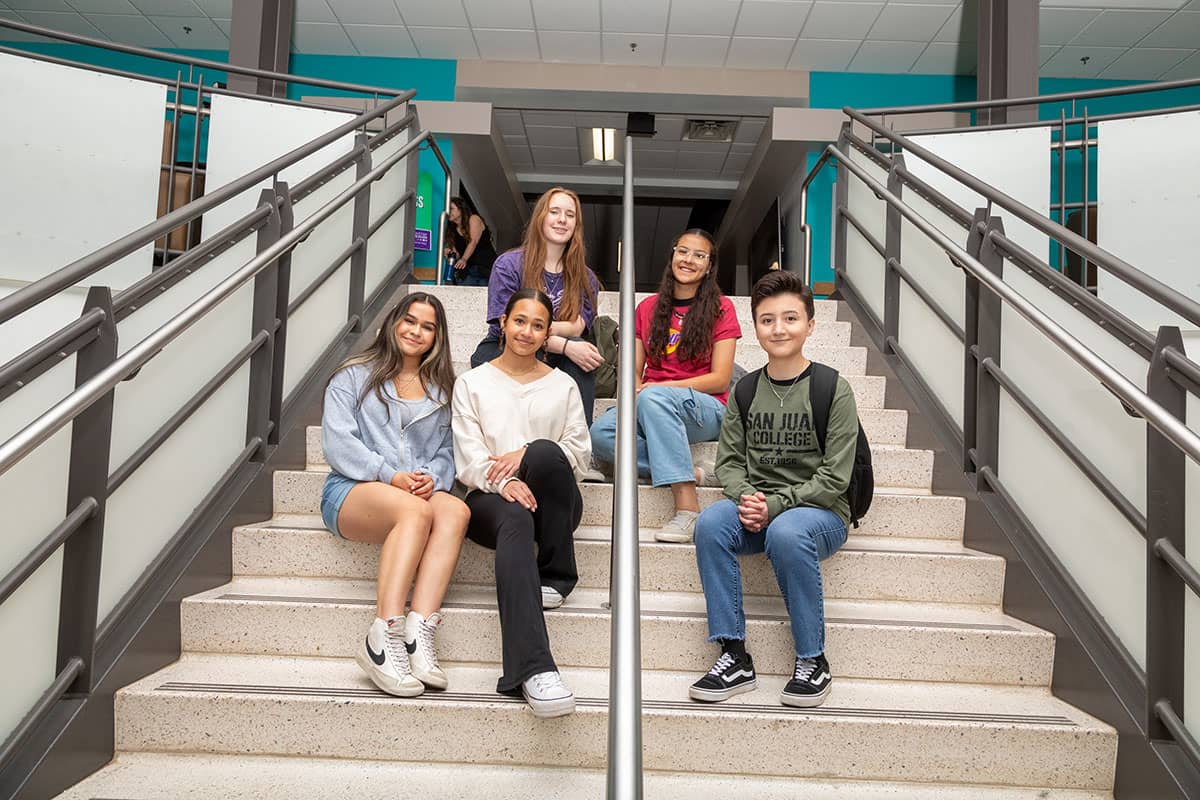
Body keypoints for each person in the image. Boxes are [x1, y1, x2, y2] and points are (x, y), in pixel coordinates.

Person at [689, 270, 857, 709]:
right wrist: (747, 497)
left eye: (789, 318)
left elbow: (835, 478)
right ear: (756, 327)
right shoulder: (745, 389)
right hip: (759, 506)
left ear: (810, 325)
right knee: (709, 523)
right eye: (767, 320)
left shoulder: (832, 389)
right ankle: (733, 654)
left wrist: (777, 505)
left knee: (787, 532)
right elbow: (728, 462)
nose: (778, 329)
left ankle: (812, 658)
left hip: (820, 514)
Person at [320, 292, 470, 698]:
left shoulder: (443, 389)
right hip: (353, 489)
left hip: (414, 492)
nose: (416, 331)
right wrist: (389, 475)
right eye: (410, 321)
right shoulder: (352, 376)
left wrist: (432, 479)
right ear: (392, 322)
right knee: (416, 515)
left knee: (455, 510)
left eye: (427, 326)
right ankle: (383, 635)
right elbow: (338, 444)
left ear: (437, 337)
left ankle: (417, 634)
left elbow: (447, 453)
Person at [452, 288, 591, 719]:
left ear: (548, 333)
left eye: (537, 325)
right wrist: (504, 482)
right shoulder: (472, 382)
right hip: (490, 501)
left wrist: (526, 453)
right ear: (502, 324)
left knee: (548, 452)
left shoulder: (563, 383)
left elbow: (579, 454)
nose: (527, 332)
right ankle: (533, 670)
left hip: (554, 500)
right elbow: (468, 457)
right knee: (514, 516)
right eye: (519, 321)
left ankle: (557, 574)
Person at [589, 229, 741, 543]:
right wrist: (636, 390)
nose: (689, 260)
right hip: (652, 402)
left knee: (654, 396)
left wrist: (663, 388)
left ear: (709, 265)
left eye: (700, 255)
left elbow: (720, 378)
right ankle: (698, 473)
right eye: (683, 251)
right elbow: (632, 369)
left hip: (706, 407)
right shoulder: (647, 309)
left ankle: (687, 507)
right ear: (672, 255)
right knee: (601, 435)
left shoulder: (722, 308)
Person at [470, 186, 603, 425]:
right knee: (571, 348)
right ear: (541, 217)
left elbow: (578, 326)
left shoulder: (586, 277)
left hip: (552, 354)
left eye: (570, 215)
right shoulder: (509, 265)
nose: (562, 220)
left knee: (581, 350)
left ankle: (579, 443)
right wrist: (563, 345)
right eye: (554, 212)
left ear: (576, 225)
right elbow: (507, 327)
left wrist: (545, 333)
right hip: (504, 346)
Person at [445, 196, 496, 287]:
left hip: (485, 269)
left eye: (451, 208)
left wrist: (464, 259)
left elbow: (473, 241)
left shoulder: (474, 219)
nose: (448, 212)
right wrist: (450, 253)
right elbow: (457, 255)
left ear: (461, 209)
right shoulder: (451, 230)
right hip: (467, 272)